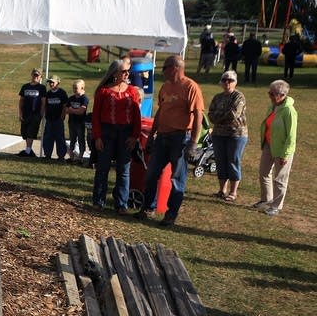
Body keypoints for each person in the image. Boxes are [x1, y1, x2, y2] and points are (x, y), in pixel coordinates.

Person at [134, 56, 204, 226]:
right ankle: (148, 208)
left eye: (165, 67)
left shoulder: (191, 87)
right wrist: (152, 135)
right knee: (151, 174)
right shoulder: (165, 86)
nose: (163, 71)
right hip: (162, 137)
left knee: (177, 179)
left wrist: (193, 143)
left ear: (174, 68)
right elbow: (160, 112)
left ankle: (171, 215)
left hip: (180, 138)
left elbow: (198, 116)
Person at [91, 60, 142, 213]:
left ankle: (121, 204)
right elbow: (96, 116)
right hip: (107, 132)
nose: (127, 74)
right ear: (115, 73)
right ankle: (98, 201)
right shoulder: (103, 92)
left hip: (126, 133)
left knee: (124, 169)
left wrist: (135, 136)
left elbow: (137, 116)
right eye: (124, 71)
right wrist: (97, 137)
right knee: (103, 168)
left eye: (128, 71)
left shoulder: (132, 91)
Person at [254, 80, 297, 216]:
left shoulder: (289, 111)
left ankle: (276, 206)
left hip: (282, 149)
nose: (269, 96)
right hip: (268, 145)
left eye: (272, 94)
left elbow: (291, 135)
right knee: (263, 173)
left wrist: (285, 154)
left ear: (282, 95)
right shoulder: (272, 106)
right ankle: (266, 199)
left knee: (280, 178)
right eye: (269, 93)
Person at [207, 70, 248, 202]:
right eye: (224, 80)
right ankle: (222, 190)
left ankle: (233, 192)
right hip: (218, 134)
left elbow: (233, 114)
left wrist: (218, 118)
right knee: (220, 161)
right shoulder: (217, 97)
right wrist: (219, 117)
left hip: (236, 134)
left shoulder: (239, 96)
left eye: (230, 80)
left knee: (233, 161)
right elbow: (210, 114)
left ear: (235, 82)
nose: (227, 83)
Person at [17, 68, 46, 157]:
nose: (35, 77)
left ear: (40, 77)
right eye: (34, 75)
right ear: (31, 75)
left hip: (35, 114)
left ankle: (28, 151)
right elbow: (21, 100)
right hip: (26, 113)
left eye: (37, 75)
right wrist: (20, 113)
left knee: (31, 132)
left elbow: (43, 102)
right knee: (25, 132)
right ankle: (28, 150)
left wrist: (41, 114)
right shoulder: (25, 86)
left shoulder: (42, 88)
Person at [41, 75, 69, 159]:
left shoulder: (62, 93)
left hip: (58, 119)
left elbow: (64, 106)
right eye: (50, 82)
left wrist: (62, 116)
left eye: (53, 82)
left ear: (58, 83)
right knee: (48, 136)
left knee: (59, 137)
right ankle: (47, 154)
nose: (51, 84)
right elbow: (46, 105)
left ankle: (61, 156)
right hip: (49, 119)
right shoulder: (48, 93)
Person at [66, 79, 89, 164]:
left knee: (81, 139)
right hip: (71, 122)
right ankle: (71, 157)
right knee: (72, 139)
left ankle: (80, 157)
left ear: (82, 88)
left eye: (76, 88)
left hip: (80, 123)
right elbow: (66, 110)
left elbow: (81, 111)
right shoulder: (71, 98)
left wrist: (72, 110)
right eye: (73, 88)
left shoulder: (84, 98)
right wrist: (74, 110)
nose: (74, 90)